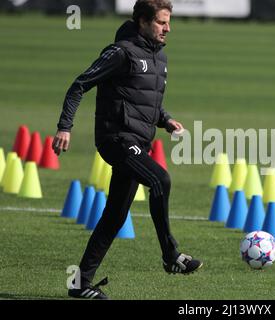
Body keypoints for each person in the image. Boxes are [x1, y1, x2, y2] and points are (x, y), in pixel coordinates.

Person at [53, 0, 202, 300]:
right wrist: (64, 127)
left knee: (115, 216)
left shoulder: (160, 59)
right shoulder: (120, 53)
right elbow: (78, 85)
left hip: (139, 142)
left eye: (168, 22)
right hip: (116, 139)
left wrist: (166, 119)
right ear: (143, 21)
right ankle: (170, 255)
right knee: (161, 180)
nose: (167, 28)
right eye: (161, 22)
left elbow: (145, 101)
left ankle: (79, 284)